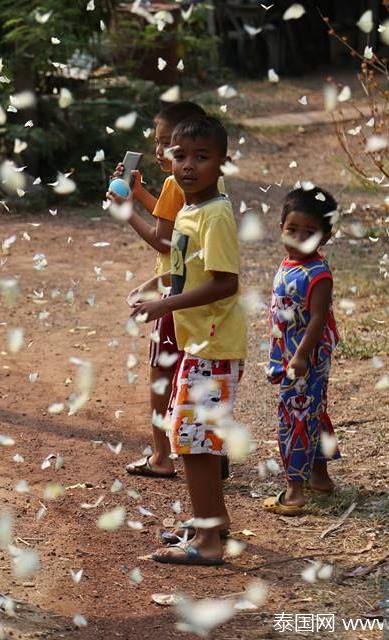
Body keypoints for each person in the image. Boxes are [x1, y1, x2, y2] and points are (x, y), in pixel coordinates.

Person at [131, 117, 246, 565]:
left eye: (202, 157)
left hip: (213, 346)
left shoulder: (215, 214)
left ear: (222, 164)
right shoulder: (190, 211)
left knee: (195, 443)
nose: (189, 166)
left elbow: (225, 284)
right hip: (200, 344)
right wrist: (154, 287)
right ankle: (208, 524)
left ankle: (209, 543)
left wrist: (166, 306)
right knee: (194, 438)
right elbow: (184, 270)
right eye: (181, 156)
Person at [109, 101, 226, 480]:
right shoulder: (206, 184)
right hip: (189, 291)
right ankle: (210, 449)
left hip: (177, 297)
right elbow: (173, 222)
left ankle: (161, 454)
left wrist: (128, 211)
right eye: (158, 143)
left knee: (164, 373)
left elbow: (163, 239)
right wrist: (141, 195)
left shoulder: (178, 183)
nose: (159, 152)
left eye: (166, 144)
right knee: (194, 374)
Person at [263, 187, 341, 516]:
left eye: (309, 233)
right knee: (311, 414)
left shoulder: (317, 275)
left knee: (294, 418)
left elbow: (319, 319)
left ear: (326, 236)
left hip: (305, 359)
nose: (298, 238)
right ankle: (320, 478)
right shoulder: (290, 263)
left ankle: (294, 491)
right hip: (292, 354)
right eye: (292, 230)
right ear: (281, 226)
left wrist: (301, 356)